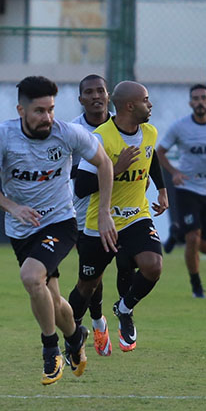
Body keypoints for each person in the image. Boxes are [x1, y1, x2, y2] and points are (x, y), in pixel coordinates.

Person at [0, 75, 116, 385]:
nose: (47, 117)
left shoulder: (68, 133)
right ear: (21, 111)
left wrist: (104, 211)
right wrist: (13, 207)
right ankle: (75, 337)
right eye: (39, 111)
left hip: (60, 223)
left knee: (30, 277)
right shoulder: (3, 136)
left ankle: (51, 351)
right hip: (21, 228)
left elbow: (104, 163)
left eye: (51, 109)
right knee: (52, 300)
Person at [74, 80, 169, 352]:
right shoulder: (101, 138)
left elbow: (151, 158)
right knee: (87, 286)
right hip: (100, 220)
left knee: (153, 266)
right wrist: (114, 169)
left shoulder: (149, 132)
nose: (150, 105)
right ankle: (73, 334)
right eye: (146, 100)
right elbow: (81, 187)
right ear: (130, 106)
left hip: (136, 215)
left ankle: (124, 309)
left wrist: (162, 190)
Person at [67, 74, 137, 357]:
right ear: (81, 99)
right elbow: (71, 175)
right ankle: (96, 322)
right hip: (84, 210)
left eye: (101, 91)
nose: (96, 96)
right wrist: (109, 168)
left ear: (109, 96)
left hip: (122, 209)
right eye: (89, 92)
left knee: (125, 264)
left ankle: (119, 314)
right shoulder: (72, 130)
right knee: (91, 275)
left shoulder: (123, 125)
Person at [157, 83, 206, 298]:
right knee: (193, 238)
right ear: (190, 103)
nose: (199, 102)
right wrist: (174, 172)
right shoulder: (179, 127)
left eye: (203, 98)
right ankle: (196, 285)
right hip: (187, 187)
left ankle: (176, 231)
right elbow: (160, 152)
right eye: (195, 98)